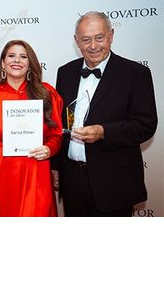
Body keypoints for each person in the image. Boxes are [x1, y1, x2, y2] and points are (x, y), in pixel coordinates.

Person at [52, 11, 158, 217]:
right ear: (76, 41)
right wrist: (55, 165)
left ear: (111, 35)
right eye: (86, 39)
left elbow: (145, 125)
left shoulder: (135, 73)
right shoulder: (65, 72)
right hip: (72, 181)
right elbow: (59, 122)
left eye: (99, 38)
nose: (93, 46)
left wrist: (103, 132)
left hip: (114, 182)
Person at [0, 40, 63, 217]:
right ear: (3, 64)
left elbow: (56, 136)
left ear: (30, 64)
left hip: (36, 170)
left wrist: (49, 149)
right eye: (11, 56)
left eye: (23, 57)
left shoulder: (47, 93)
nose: (17, 60)